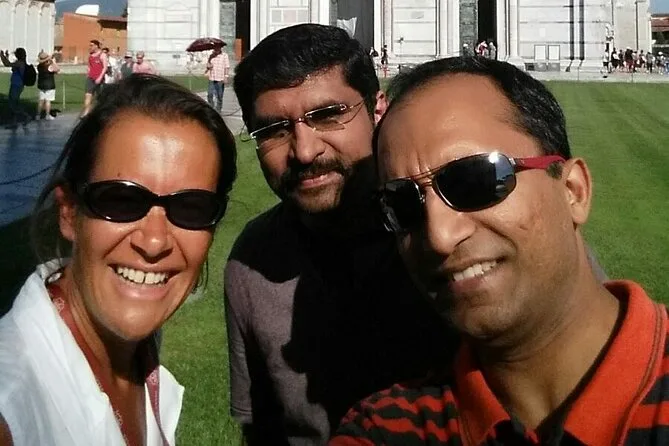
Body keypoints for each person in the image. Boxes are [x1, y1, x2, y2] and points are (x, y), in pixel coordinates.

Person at [331, 56, 667, 445]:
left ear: (573, 191)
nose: (439, 236)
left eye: (477, 179)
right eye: (401, 205)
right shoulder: (384, 429)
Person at [227, 23, 456, 445]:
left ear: (378, 109)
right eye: (274, 130)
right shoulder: (254, 261)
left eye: (328, 115)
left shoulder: (455, 226)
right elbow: (262, 429)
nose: (304, 150)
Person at [0, 74, 237, 445]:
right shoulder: (12, 403)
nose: (154, 241)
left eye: (192, 208)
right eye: (121, 200)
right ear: (68, 212)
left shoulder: (135, 348)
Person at [0, 47, 32, 125]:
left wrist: (1, 55)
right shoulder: (20, 62)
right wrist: (6, 56)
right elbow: (9, 63)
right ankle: (14, 122)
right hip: (17, 84)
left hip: (16, 85)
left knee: (12, 104)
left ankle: (26, 116)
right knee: (15, 103)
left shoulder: (19, 63)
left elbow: (7, 64)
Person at [81, 39, 108, 117]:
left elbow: (105, 67)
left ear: (96, 46)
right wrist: (88, 73)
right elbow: (89, 66)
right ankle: (86, 113)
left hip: (99, 79)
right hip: (91, 78)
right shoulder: (91, 56)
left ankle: (101, 112)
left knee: (100, 97)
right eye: (90, 45)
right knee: (88, 95)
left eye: (92, 45)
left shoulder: (102, 55)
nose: (90, 47)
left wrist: (100, 77)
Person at [205, 43, 230, 113]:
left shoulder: (224, 55)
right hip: (212, 78)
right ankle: (211, 107)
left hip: (220, 78)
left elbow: (227, 66)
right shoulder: (211, 56)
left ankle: (218, 108)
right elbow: (208, 65)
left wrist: (226, 76)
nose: (216, 48)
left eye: (217, 47)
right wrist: (208, 66)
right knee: (210, 94)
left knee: (219, 95)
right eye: (215, 47)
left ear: (220, 48)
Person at [36, 51, 60, 120]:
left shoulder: (39, 66)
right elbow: (57, 70)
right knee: (48, 101)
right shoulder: (49, 66)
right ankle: (47, 115)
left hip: (41, 85)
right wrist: (53, 62)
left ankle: (38, 115)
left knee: (41, 101)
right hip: (49, 85)